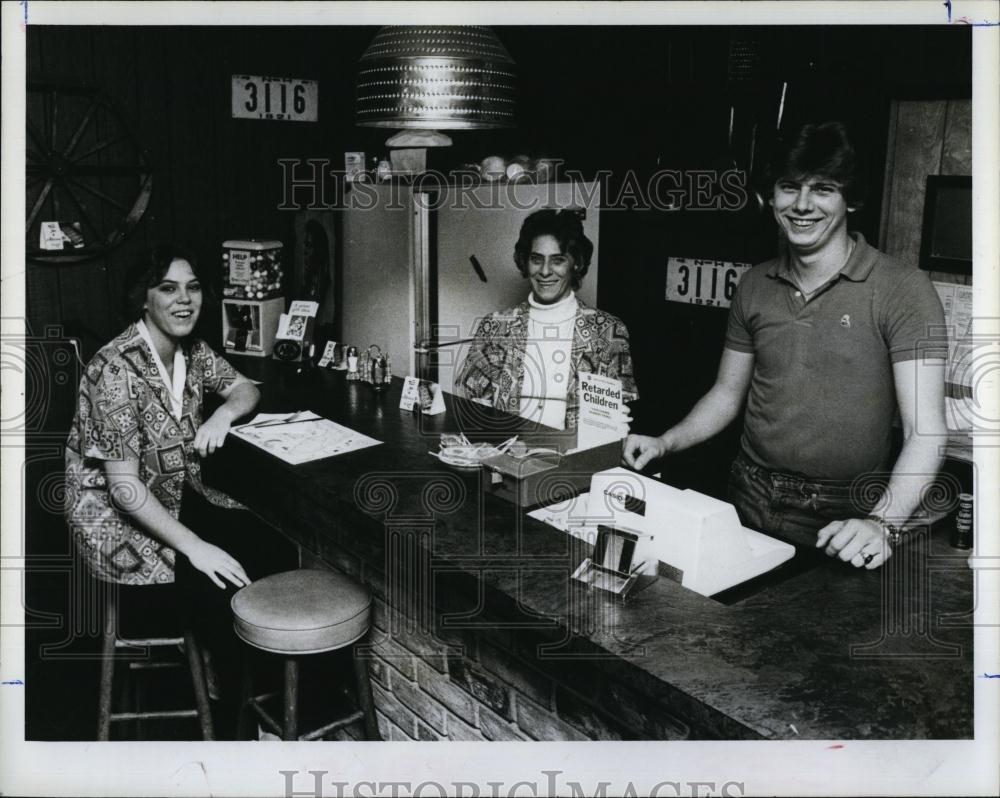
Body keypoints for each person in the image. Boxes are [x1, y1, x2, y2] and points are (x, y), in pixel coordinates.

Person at [624, 121, 947, 570]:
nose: (802, 205)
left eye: (823, 189)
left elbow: (924, 432)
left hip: (844, 516)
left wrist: (882, 523)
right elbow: (725, 395)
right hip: (747, 494)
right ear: (771, 197)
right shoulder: (754, 284)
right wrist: (666, 442)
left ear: (850, 198)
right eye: (789, 187)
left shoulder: (903, 289)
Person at [64, 244, 291, 734]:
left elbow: (246, 388)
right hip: (116, 524)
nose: (184, 299)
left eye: (192, 287)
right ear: (143, 300)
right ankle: (235, 727)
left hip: (171, 497)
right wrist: (196, 548)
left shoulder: (192, 352)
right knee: (221, 581)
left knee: (268, 545)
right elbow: (123, 491)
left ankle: (255, 700)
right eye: (168, 288)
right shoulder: (114, 369)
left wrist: (222, 415)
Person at [456, 208, 638, 431]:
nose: (544, 271)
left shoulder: (609, 332)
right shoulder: (494, 326)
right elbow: (468, 402)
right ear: (525, 262)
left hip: (576, 460)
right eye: (536, 259)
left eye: (558, 260)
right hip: (505, 455)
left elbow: (615, 418)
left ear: (576, 263)